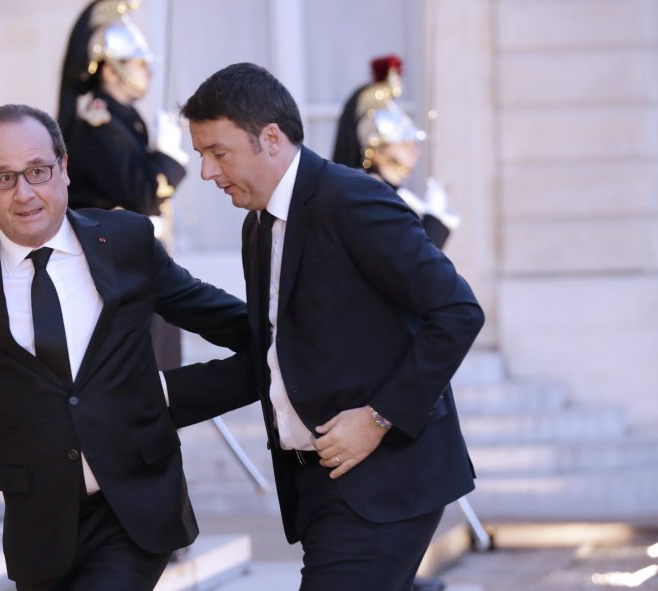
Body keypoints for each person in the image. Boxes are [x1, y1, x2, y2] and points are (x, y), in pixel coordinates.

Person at [0, 104, 253, 591]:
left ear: (64, 168)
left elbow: (233, 324)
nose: (24, 194)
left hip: (135, 511)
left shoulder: (126, 242)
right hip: (39, 532)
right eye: (3, 178)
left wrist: (167, 394)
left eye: (38, 172)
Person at [181, 63, 485, 590]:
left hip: (384, 484)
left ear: (270, 139)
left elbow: (458, 311)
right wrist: (151, 397)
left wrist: (379, 417)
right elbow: (277, 351)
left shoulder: (352, 198)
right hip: (318, 484)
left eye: (218, 152)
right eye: (200, 155)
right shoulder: (258, 224)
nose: (207, 172)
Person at [57, 0, 189, 371]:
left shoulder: (126, 120)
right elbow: (141, 196)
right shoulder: (98, 125)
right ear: (111, 69)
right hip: (115, 269)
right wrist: (167, 160)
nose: (147, 68)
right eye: (137, 61)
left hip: (139, 260)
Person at [333, 54, 459, 249]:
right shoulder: (368, 197)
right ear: (375, 150)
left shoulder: (401, 197)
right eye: (404, 143)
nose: (415, 152)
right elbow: (410, 262)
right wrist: (433, 220)